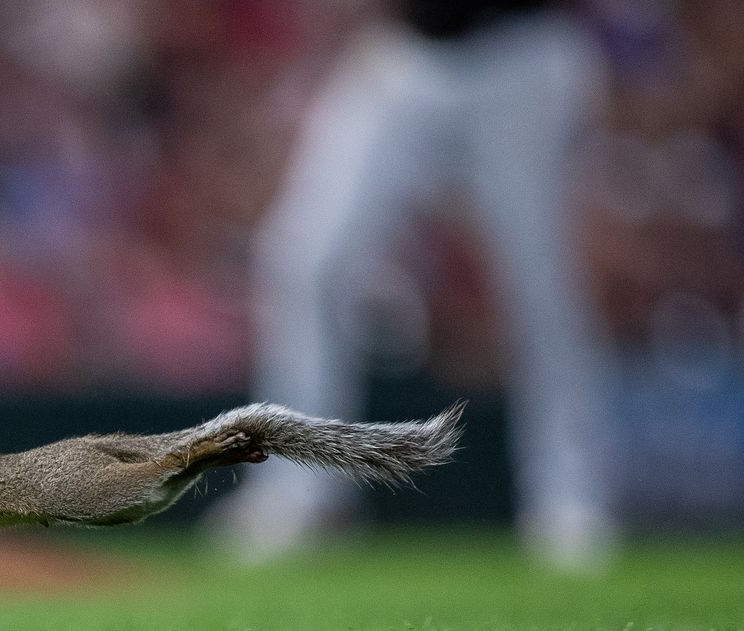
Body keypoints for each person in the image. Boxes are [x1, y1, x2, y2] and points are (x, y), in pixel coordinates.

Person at [211, 0, 617, 570]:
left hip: (523, 53)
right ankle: (302, 491)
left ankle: (571, 498)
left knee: (543, 291)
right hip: (403, 54)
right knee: (305, 261)